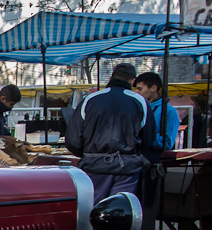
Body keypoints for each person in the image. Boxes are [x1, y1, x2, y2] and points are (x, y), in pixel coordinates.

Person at [65, 63, 156, 203]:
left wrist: (87, 155)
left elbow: (73, 140)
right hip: (127, 168)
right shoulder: (140, 102)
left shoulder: (90, 100)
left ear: (111, 77)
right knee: (121, 211)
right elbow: (149, 139)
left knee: (93, 211)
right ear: (132, 81)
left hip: (94, 166)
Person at [132, 71, 180, 230]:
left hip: (151, 168)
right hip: (133, 166)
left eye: (140, 89)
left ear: (154, 88)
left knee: (146, 213)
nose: (136, 92)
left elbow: (167, 142)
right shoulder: (138, 107)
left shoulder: (169, 112)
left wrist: (145, 137)